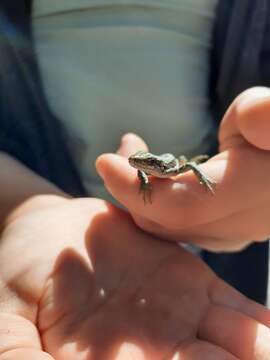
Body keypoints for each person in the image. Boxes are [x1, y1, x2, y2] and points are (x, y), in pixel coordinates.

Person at [1, 0, 270, 359]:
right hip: (77, 253)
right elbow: (144, 168)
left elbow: (189, 167)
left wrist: (243, 175)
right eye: (142, 166)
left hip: (225, 273)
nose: (142, 166)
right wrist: (20, 206)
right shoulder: (148, 169)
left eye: (145, 165)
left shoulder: (167, 168)